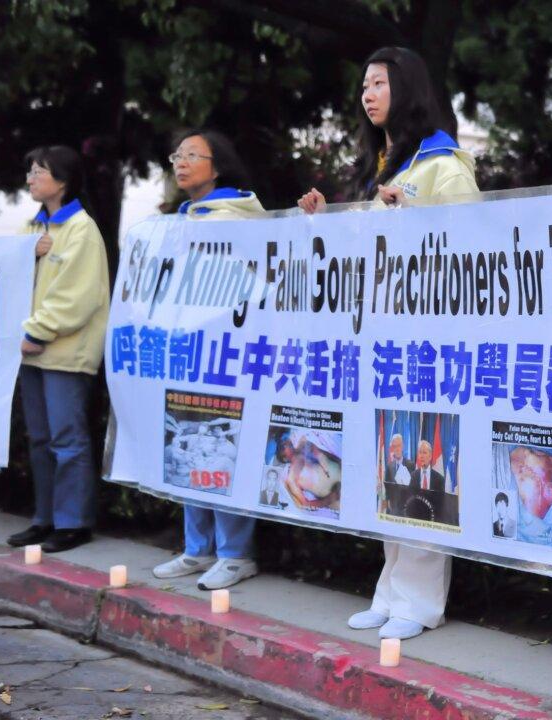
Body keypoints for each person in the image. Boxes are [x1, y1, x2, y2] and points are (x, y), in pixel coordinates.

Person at [299, 46, 477, 640]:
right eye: (364, 85)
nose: (367, 93)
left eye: (379, 82)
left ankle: (421, 603)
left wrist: (415, 213)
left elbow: (472, 257)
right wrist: (325, 221)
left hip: (430, 349)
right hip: (387, 346)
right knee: (391, 470)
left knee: (424, 472)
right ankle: (391, 590)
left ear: (408, 87)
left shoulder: (444, 165)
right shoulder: (389, 166)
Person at [151, 129, 266, 590]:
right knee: (188, 449)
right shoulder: (181, 218)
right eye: (176, 154)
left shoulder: (240, 216)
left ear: (217, 167)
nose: (180, 162)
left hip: (228, 352)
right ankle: (198, 549)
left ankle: (236, 554)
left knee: (225, 449)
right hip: (188, 352)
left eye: (192, 155)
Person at [7, 146, 109, 553]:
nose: (31, 178)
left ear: (63, 180)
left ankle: (73, 522)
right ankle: (44, 518)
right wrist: (25, 255)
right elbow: (7, 272)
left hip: (63, 352)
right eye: (29, 171)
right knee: (40, 437)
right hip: (29, 348)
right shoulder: (31, 229)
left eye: (39, 172)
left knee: (67, 438)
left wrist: (38, 331)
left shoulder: (82, 229)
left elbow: (78, 297)